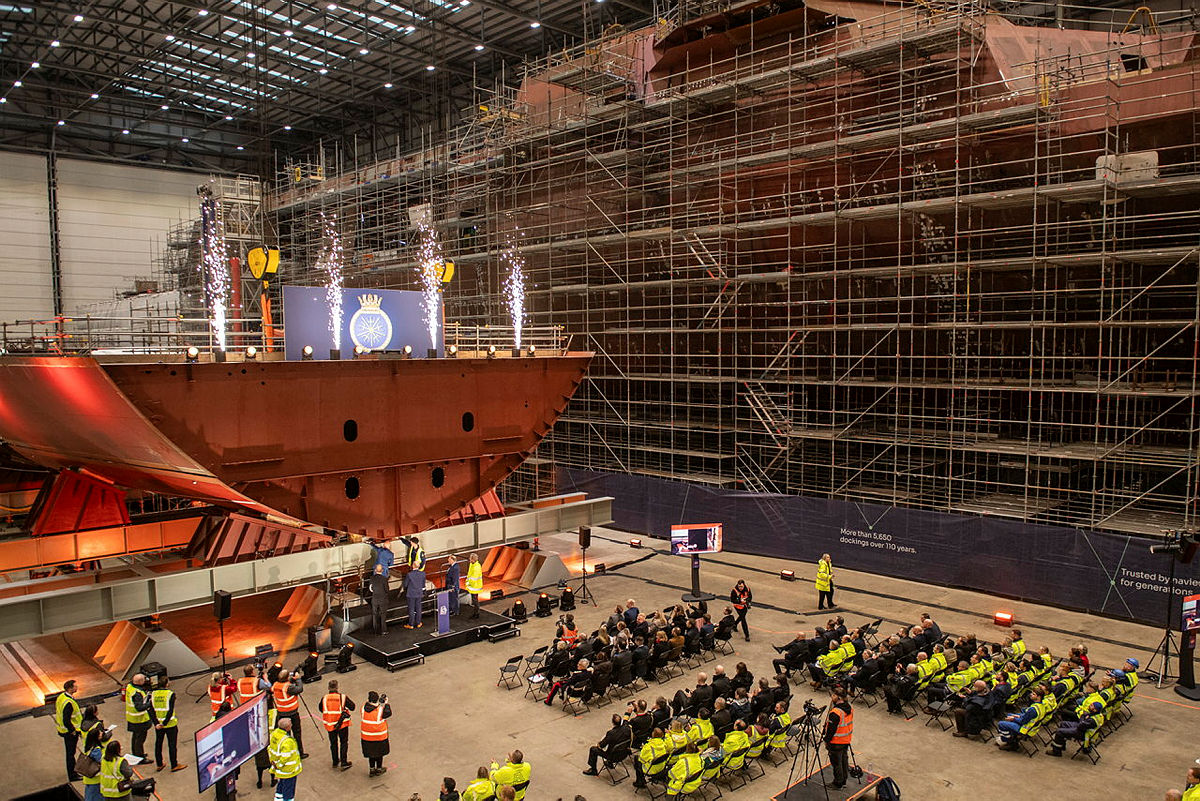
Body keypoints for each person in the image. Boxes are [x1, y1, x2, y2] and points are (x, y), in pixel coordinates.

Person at [149, 676, 185, 772]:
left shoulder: (153, 694)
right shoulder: (170, 694)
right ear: (167, 684)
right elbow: (170, 710)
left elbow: (151, 710)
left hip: (158, 725)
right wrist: (164, 723)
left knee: (158, 744)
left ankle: (159, 764)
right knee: (172, 745)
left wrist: (156, 723)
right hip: (170, 724)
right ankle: (174, 765)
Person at [319, 679, 355, 770]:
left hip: (330, 724)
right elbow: (353, 707)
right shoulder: (342, 697)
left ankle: (335, 761)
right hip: (342, 724)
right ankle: (344, 762)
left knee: (333, 743)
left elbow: (321, 709)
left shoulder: (324, 698)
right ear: (337, 687)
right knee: (343, 742)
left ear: (328, 688)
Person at [272, 669, 307, 758]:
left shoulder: (275, 685)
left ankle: (287, 751)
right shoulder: (289, 688)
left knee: (285, 735)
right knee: (297, 733)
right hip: (292, 713)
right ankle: (300, 752)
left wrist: (291, 679)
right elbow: (299, 689)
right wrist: (298, 679)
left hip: (281, 713)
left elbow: (283, 684)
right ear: (287, 677)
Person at [823, 687, 853, 790]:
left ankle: (837, 783)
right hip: (846, 739)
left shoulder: (835, 713)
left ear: (839, 697)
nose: (832, 697)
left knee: (836, 763)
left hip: (836, 742)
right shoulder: (849, 708)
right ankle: (844, 779)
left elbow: (831, 730)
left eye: (833, 695)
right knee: (844, 760)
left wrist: (826, 740)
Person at [55, 678, 84, 781]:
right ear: (70, 688)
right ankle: (72, 775)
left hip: (64, 730)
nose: (77, 687)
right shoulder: (68, 703)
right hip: (69, 732)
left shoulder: (62, 697)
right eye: (75, 686)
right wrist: (73, 730)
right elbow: (66, 720)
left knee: (70, 753)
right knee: (70, 754)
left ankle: (73, 772)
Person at [269, 717, 303, 801]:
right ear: (287, 727)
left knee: (281, 784)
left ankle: (278, 798)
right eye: (290, 724)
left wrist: (276, 765)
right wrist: (279, 765)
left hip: (279, 768)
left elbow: (270, 748)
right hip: (288, 770)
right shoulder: (287, 741)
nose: (291, 725)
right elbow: (285, 757)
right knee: (289, 789)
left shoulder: (274, 734)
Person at [361, 690, 392, 776]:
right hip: (379, 737)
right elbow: (388, 713)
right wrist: (386, 704)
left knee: (371, 754)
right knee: (379, 753)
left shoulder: (363, 709)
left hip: (366, 737)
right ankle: (379, 768)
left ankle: (371, 769)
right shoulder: (380, 710)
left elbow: (371, 708)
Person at [80, 717, 110, 801]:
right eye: (99, 734)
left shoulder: (88, 746)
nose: (101, 733)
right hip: (96, 780)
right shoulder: (96, 750)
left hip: (89, 779)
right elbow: (102, 761)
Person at [401, 535, 427, 628]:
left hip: (411, 593)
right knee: (418, 608)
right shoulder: (423, 574)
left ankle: (411, 624)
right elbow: (423, 585)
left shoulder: (420, 552)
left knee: (411, 609)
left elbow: (405, 584)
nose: (410, 543)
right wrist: (401, 539)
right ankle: (418, 622)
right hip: (419, 592)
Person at [123, 673, 151, 760]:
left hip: (132, 718)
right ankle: (140, 757)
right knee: (140, 739)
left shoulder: (130, 687)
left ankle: (136, 753)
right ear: (140, 682)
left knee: (135, 737)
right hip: (139, 720)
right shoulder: (137, 693)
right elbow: (139, 707)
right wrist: (150, 703)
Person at [370, 564, 391, 636]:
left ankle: (375, 630)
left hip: (375, 599)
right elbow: (387, 590)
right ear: (382, 570)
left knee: (375, 614)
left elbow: (371, 589)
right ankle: (383, 630)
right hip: (383, 599)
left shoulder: (372, 578)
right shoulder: (384, 579)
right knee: (383, 615)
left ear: (375, 570)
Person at [466, 553, 484, 619]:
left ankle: (476, 614)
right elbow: (469, 574)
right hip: (473, 586)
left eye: (470, 558)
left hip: (475, 587)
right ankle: (476, 613)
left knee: (475, 601)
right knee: (474, 600)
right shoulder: (473, 564)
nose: (469, 559)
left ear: (473, 559)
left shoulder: (476, 567)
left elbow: (473, 578)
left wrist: (468, 583)